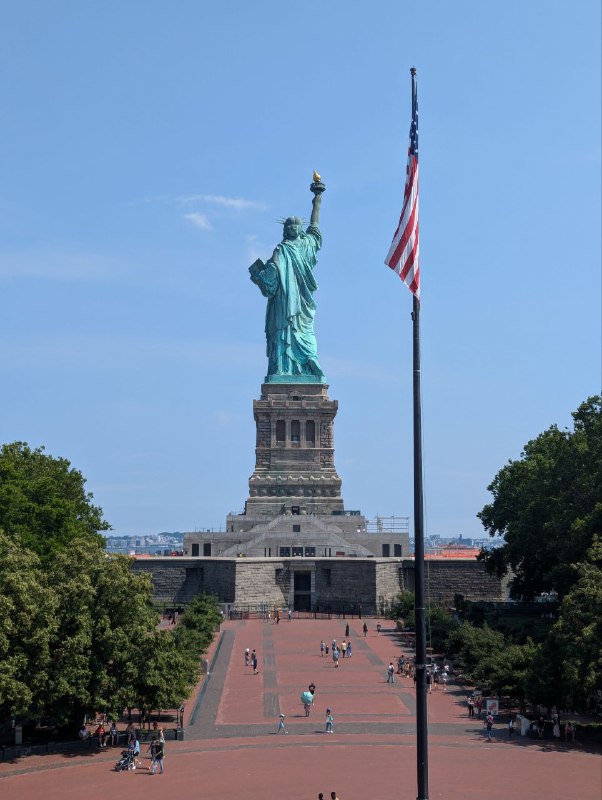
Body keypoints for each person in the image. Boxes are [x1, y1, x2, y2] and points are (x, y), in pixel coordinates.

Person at [249, 178, 326, 380]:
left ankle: (305, 366)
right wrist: (261, 276)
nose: (292, 228)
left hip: (299, 302)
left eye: (295, 225)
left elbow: (315, 224)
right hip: (285, 302)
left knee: (303, 333)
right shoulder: (283, 250)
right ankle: (284, 370)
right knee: (287, 332)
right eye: (290, 226)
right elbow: (272, 278)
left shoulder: (303, 246)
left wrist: (317, 198)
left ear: (299, 229)